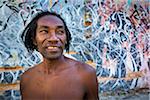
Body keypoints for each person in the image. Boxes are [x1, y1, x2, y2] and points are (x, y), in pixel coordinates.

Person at [20, 11, 99, 100]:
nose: (53, 38)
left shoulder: (85, 74)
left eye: (60, 32)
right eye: (44, 31)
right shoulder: (26, 78)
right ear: (34, 40)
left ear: (66, 39)